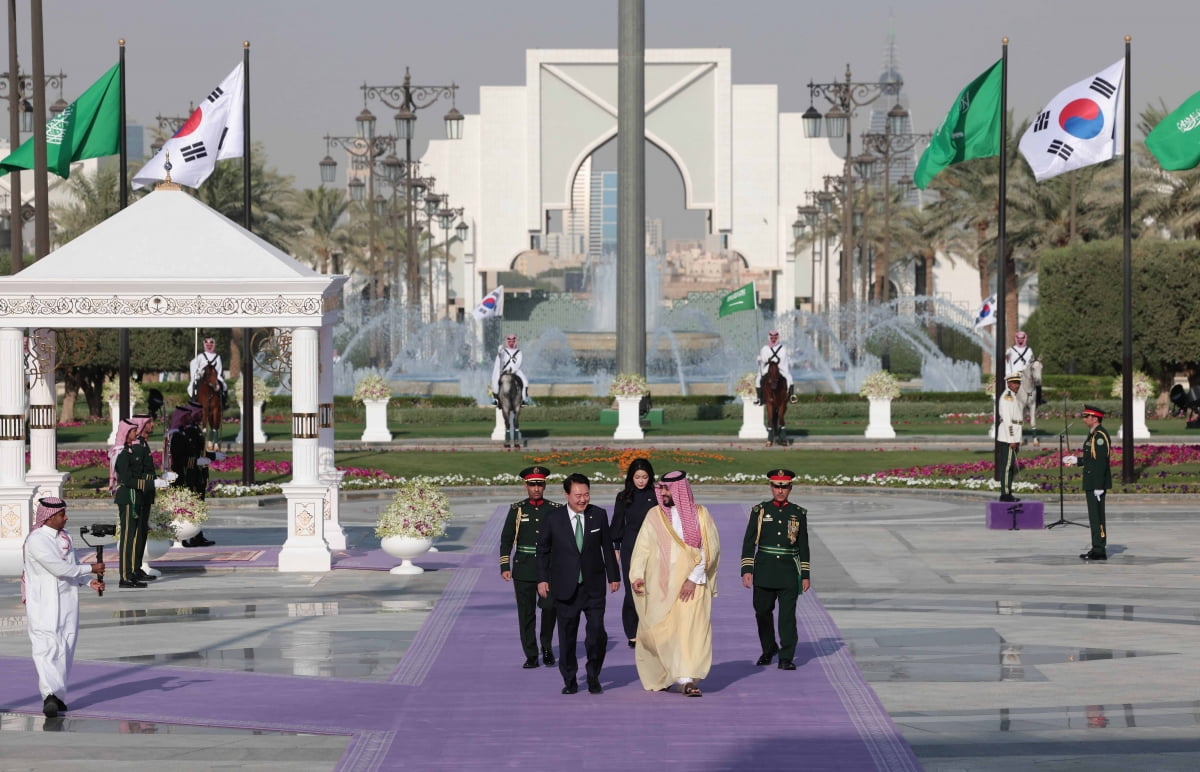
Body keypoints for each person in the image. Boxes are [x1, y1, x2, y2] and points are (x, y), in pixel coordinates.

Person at [628, 470, 720, 697]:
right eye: (662, 488)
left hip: (693, 587)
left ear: (679, 490)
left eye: (667, 489)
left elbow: (709, 550)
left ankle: (687, 679)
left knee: (689, 634)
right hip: (662, 586)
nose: (663, 493)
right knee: (660, 633)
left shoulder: (701, 515)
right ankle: (666, 673)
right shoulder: (654, 515)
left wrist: (692, 579)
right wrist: (637, 575)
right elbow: (643, 548)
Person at [537, 473, 620, 695]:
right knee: (567, 636)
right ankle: (570, 678)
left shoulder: (598, 515)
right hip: (565, 587)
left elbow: (607, 547)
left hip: (593, 587)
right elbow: (542, 551)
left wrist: (614, 576)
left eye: (586, 494)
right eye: (577, 495)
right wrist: (542, 579)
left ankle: (593, 675)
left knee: (596, 634)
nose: (582, 499)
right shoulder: (553, 519)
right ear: (567, 495)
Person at [22, 497, 106, 717]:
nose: (66, 517)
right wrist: (92, 567)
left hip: (68, 599)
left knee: (66, 646)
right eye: (62, 515)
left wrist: (89, 581)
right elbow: (58, 568)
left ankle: (58, 696)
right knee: (46, 646)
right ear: (49, 517)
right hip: (44, 602)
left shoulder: (65, 536)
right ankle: (49, 695)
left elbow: (72, 567)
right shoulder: (37, 540)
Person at [741, 469, 810, 671]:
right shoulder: (760, 511)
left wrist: (805, 574)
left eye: (784, 487)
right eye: (777, 486)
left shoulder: (798, 513)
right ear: (771, 487)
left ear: (790, 488)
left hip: (789, 571)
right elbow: (749, 542)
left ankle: (786, 656)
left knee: (787, 616)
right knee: (762, 612)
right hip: (764, 570)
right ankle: (769, 648)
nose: (780, 491)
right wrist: (747, 569)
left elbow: (804, 546)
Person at [499, 466, 558, 669]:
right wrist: (504, 564)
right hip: (523, 567)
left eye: (540, 484)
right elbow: (506, 539)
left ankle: (547, 647)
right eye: (532, 485)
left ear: (545, 485)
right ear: (526, 486)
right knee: (526, 613)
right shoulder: (517, 509)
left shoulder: (554, 509)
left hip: (548, 569)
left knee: (550, 608)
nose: (536, 489)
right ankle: (531, 654)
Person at [610, 457, 657, 648]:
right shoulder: (623, 497)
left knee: (652, 589)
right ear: (631, 477)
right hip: (631, 545)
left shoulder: (657, 496)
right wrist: (616, 547)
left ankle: (650, 629)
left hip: (653, 546)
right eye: (637, 476)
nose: (641, 481)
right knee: (632, 591)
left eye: (644, 477)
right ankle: (632, 631)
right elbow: (617, 522)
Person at [114, 418, 159, 588]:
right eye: (132, 431)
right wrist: (150, 483)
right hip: (128, 498)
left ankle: (132, 573)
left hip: (136, 497)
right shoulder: (122, 454)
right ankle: (124, 577)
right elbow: (128, 480)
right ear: (126, 434)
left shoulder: (131, 452)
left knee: (134, 537)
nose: (135, 433)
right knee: (128, 538)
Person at [1064, 405, 1112, 561]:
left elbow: (1100, 463)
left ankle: (1099, 549)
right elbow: (1090, 459)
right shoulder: (1092, 435)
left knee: (1097, 516)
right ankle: (1096, 546)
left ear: (1095, 418)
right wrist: (1076, 460)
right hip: (1091, 481)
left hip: (1095, 483)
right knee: (1093, 516)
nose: (1084, 419)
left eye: (1087, 417)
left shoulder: (1099, 437)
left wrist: (1099, 486)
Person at [180, 401, 218, 547]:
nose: (202, 416)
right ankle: (186, 536)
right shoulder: (188, 431)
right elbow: (184, 455)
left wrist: (212, 456)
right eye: (200, 414)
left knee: (198, 505)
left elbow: (200, 451)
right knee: (192, 505)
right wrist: (197, 461)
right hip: (192, 474)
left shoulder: (195, 429)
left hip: (199, 473)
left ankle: (196, 535)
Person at [996, 372, 1024, 502]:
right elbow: (1008, 420)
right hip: (1008, 437)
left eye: (1018, 383)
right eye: (1015, 383)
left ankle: (1008, 492)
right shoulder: (1007, 397)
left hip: (1014, 435)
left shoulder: (1013, 396)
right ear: (1009, 383)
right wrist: (1012, 439)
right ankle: (1005, 494)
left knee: (1010, 466)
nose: (1017, 385)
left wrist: (1018, 438)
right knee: (1007, 466)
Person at [754, 329, 794, 405]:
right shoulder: (765, 348)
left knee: (790, 379)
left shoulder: (782, 348)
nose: (773, 340)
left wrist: (777, 365)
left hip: (780, 368)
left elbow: (783, 360)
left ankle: (792, 396)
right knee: (758, 380)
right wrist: (760, 359)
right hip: (768, 368)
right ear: (769, 338)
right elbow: (763, 360)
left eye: (775, 338)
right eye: (771, 338)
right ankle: (759, 398)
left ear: (777, 338)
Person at [491, 334, 529, 406]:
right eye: (509, 340)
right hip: (504, 370)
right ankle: (495, 398)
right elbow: (500, 360)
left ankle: (524, 399)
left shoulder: (519, 352)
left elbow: (518, 363)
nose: (511, 342)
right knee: (496, 379)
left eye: (513, 340)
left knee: (524, 381)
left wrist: (513, 370)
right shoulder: (504, 351)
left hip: (516, 371)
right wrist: (499, 353)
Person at [188, 336, 228, 406]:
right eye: (207, 345)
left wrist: (216, 375)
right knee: (194, 384)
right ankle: (194, 400)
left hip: (214, 376)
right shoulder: (201, 356)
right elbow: (193, 364)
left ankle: (223, 401)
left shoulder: (217, 357)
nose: (209, 347)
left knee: (223, 385)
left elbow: (219, 368)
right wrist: (198, 371)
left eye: (211, 345)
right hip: (203, 376)